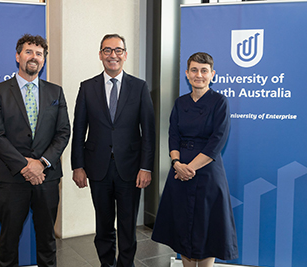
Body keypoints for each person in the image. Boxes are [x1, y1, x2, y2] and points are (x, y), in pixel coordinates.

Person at [71, 34, 155, 267]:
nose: (112, 55)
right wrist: (77, 166)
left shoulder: (139, 87)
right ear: (100, 55)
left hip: (130, 169)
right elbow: (79, 129)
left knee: (127, 226)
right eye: (107, 50)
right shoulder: (87, 87)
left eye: (118, 50)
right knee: (103, 224)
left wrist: (146, 167)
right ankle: (106, 264)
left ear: (125, 55)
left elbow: (148, 132)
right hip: (97, 168)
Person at [0, 34, 70, 267]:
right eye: (28, 52)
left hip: (48, 178)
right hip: (12, 179)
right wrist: (26, 166)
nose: (34, 57)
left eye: (39, 54)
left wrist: (41, 163)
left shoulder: (56, 92)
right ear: (17, 56)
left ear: (44, 60)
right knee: (8, 242)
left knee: (47, 241)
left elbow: (63, 132)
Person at [151, 52, 238, 267]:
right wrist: (176, 164)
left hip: (207, 172)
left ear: (212, 74)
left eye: (204, 70)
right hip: (179, 170)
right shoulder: (180, 103)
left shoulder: (220, 102)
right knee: (182, 225)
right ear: (187, 74)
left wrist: (189, 168)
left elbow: (217, 141)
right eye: (194, 70)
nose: (199, 75)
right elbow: (173, 136)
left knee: (206, 227)